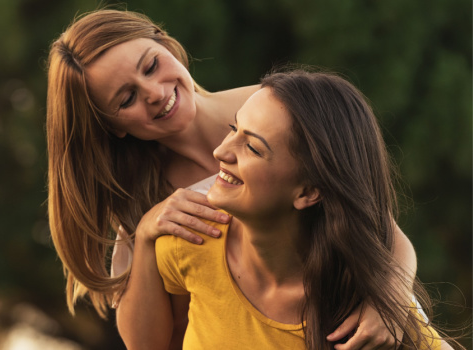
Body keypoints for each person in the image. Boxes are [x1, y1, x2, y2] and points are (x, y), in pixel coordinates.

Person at [46, 9, 418, 348]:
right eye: (126, 99)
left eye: (150, 66)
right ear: (111, 126)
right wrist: (144, 234)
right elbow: (148, 344)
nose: (156, 93)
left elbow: (380, 228)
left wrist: (392, 301)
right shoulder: (143, 198)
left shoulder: (277, 108)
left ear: (166, 43)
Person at [140, 69, 456, 349]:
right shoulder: (192, 239)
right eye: (233, 128)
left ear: (308, 192)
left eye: (252, 147)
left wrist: (393, 298)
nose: (220, 151)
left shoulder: (366, 317)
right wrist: (142, 235)